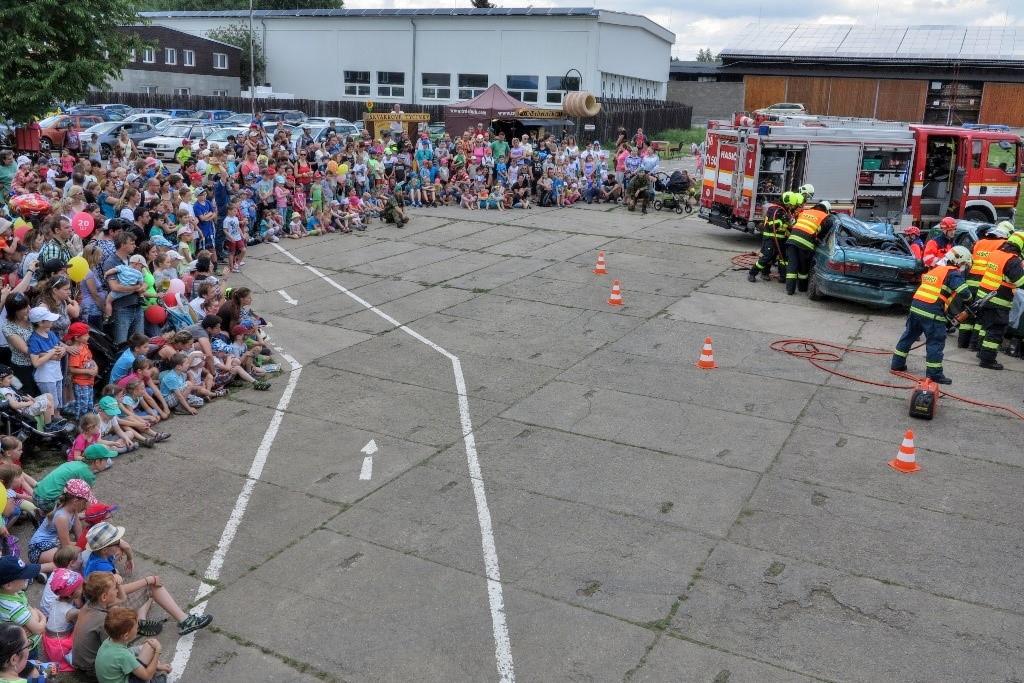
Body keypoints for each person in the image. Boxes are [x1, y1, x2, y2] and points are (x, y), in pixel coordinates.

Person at [82, 523, 213, 636]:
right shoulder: (102, 567)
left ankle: (140, 620)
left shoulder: (99, 556)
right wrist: (148, 580)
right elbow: (121, 591)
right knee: (152, 586)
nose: (120, 543)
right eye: (117, 542)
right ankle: (185, 620)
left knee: (148, 590)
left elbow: (125, 545)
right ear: (105, 549)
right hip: (109, 606)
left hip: (103, 601)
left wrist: (129, 556)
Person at [891, 245, 974, 384]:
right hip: (931, 311)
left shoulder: (936, 270)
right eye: (964, 264)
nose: (964, 267)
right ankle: (934, 374)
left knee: (908, 336)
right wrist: (970, 300)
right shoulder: (952, 273)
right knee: (936, 342)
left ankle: (897, 364)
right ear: (958, 261)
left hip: (916, 307)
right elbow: (964, 292)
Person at [975, 232, 1024, 370]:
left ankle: (981, 352)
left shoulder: (996, 253)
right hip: (998, 301)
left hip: (984, 297)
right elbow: (1020, 281)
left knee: (986, 327)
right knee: (995, 331)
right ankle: (987, 360)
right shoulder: (1013, 260)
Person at [957, 222, 1010, 351]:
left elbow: (971, 261)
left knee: (968, 311)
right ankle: (974, 345)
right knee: (980, 316)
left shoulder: (980, 242)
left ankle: (962, 342)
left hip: (971, 281)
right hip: (985, 284)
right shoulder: (1002, 245)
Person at [95, 607, 172, 683]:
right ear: (125, 636)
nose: (138, 628)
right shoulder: (122, 655)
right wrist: (158, 651)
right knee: (151, 648)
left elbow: (127, 658)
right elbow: (147, 675)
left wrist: (157, 666)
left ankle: (152, 671)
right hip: (128, 679)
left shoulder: (109, 641)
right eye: (136, 628)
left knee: (144, 649)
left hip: (116, 676)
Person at [749, 191, 800, 282]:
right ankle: (752, 273)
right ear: (787, 202)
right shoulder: (774, 209)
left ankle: (781, 276)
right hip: (770, 238)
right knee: (767, 257)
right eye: (791, 205)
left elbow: (788, 225)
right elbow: (770, 225)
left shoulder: (784, 210)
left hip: (780, 238)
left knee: (781, 258)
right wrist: (782, 220)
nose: (792, 207)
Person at [0, 555, 46, 655]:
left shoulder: (15, 592)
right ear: (8, 585)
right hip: (27, 647)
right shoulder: (14, 607)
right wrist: (42, 617)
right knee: (29, 664)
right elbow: (38, 629)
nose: (28, 577)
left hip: (14, 639)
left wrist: (31, 612)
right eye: (23, 577)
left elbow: (27, 606)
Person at [785, 201, 832, 296]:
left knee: (792, 265)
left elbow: (795, 223)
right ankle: (802, 288)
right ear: (826, 210)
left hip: (792, 240)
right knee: (803, 267)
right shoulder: (825, 217)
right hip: (805, 244)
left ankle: (790, 289)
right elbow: (823, 233)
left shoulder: (805, 212)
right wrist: (817, 240)